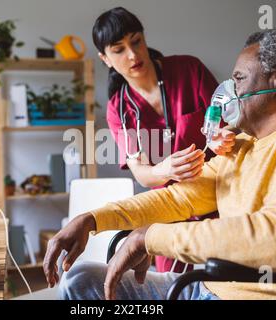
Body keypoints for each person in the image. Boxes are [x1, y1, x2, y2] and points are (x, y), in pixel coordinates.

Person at [43, 28, 276, 300]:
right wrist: (92, 219)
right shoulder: (239, 148)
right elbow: (176, 198)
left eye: (238, 78)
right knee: (81, 282)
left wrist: (150, 238)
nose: (229, 89)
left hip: (259, 294)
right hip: (208, 286)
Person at [92, 7, 236, 273]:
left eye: (136, 41)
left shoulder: (190, 70)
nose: (133, 55)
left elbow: (229, 126)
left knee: (226, 280)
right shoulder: (119, 108)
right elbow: (141, 173)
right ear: (106, 58)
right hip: (169, 213)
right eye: (119, 49)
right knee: (173, 285)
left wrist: (222, 138)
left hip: (221, 198)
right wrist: (164, 170)